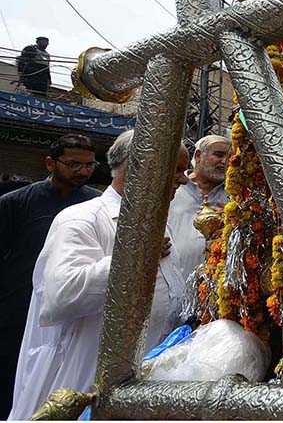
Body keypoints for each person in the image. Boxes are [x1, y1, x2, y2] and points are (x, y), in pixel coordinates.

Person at [9, 131, 189, 420]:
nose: (183, 179)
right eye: (177, 169)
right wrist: (135, 255)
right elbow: (63, 295)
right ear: (141, 166)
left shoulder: (155, 222)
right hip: (82, 376)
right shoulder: (82, 219)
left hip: (141, 381)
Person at [0, 135, 100, 417]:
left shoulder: (98, 205)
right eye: (73, 164)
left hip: (70, 315)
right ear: (50, 163)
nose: (82, 171)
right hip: (16, 314)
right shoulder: (15, 203)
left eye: (89, 165)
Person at [167, 134, 230, 282]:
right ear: (198, 155)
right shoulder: (174, 188)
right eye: (219, 155)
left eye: (228, 157)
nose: (224, 162)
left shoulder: (233, 197)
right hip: (172, 283)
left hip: (216, 287)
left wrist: (232, 219)